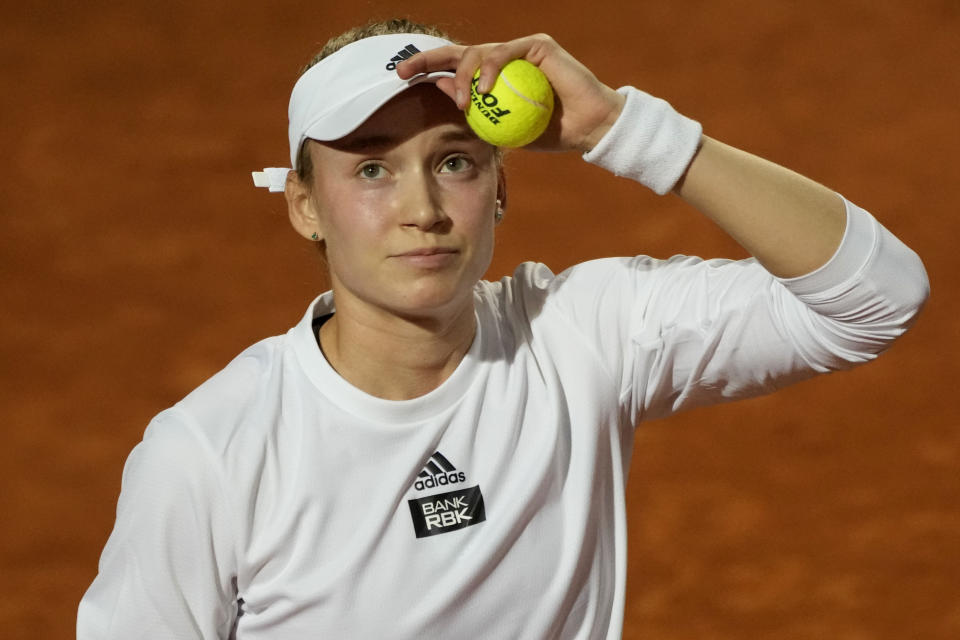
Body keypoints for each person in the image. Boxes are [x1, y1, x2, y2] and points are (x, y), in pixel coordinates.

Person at [77, 18, 928, 640]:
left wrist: (626, 131)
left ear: (499, 187)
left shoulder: (579, 335)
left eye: (454, 162)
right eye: (372, 167)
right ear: (305, 207)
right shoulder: (209, 454)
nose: (421, 211)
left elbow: (877, 296)